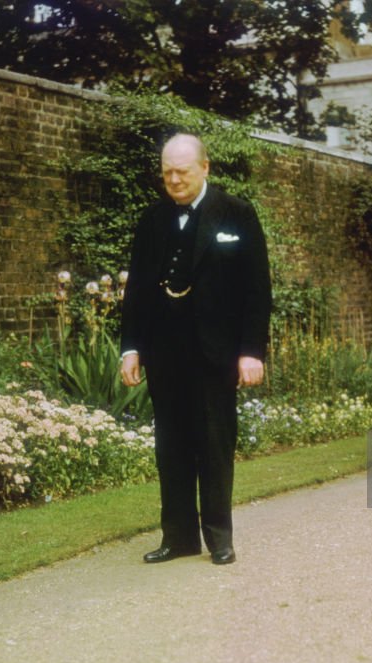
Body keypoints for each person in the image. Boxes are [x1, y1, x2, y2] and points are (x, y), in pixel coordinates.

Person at [119, 133, 272, 565]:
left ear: (205, 168)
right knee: (171, 447)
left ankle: (219, 537)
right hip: (166, 354)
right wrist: (131, 348)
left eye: (182, 171)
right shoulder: (151, 220)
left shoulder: (236, 214)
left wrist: (251, 352)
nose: (173, 179)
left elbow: (256, 290)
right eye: (167, 172)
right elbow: (137, 292)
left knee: (215, 445)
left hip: (216, 353)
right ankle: (180, 537)